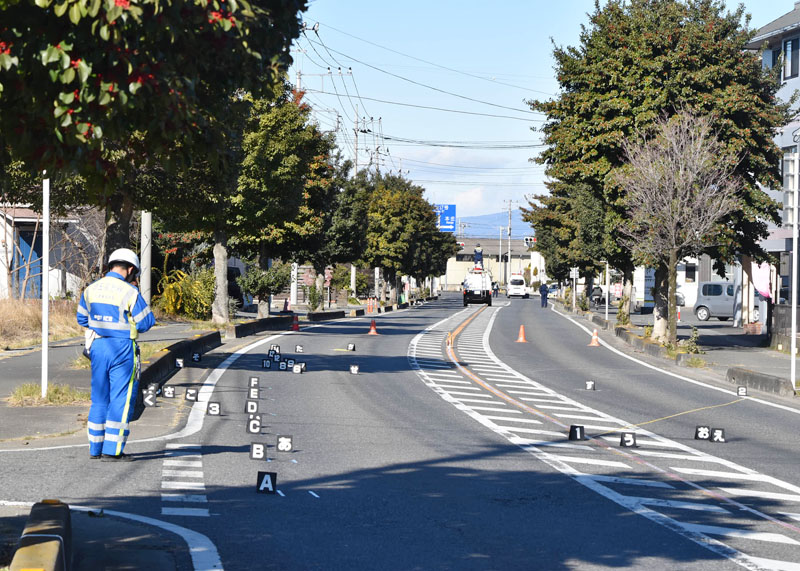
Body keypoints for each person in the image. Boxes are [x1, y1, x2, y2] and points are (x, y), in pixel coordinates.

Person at [77, 248, 155, 461]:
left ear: (111, 265)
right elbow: (146, 322)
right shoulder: (130, 292)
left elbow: (82, 318)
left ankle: (95, 448)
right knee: (121, 398)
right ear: (130, 269)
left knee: (99, 398)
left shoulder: (91, 289)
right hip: (122, 349)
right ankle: (112, 450)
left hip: (98, 348)